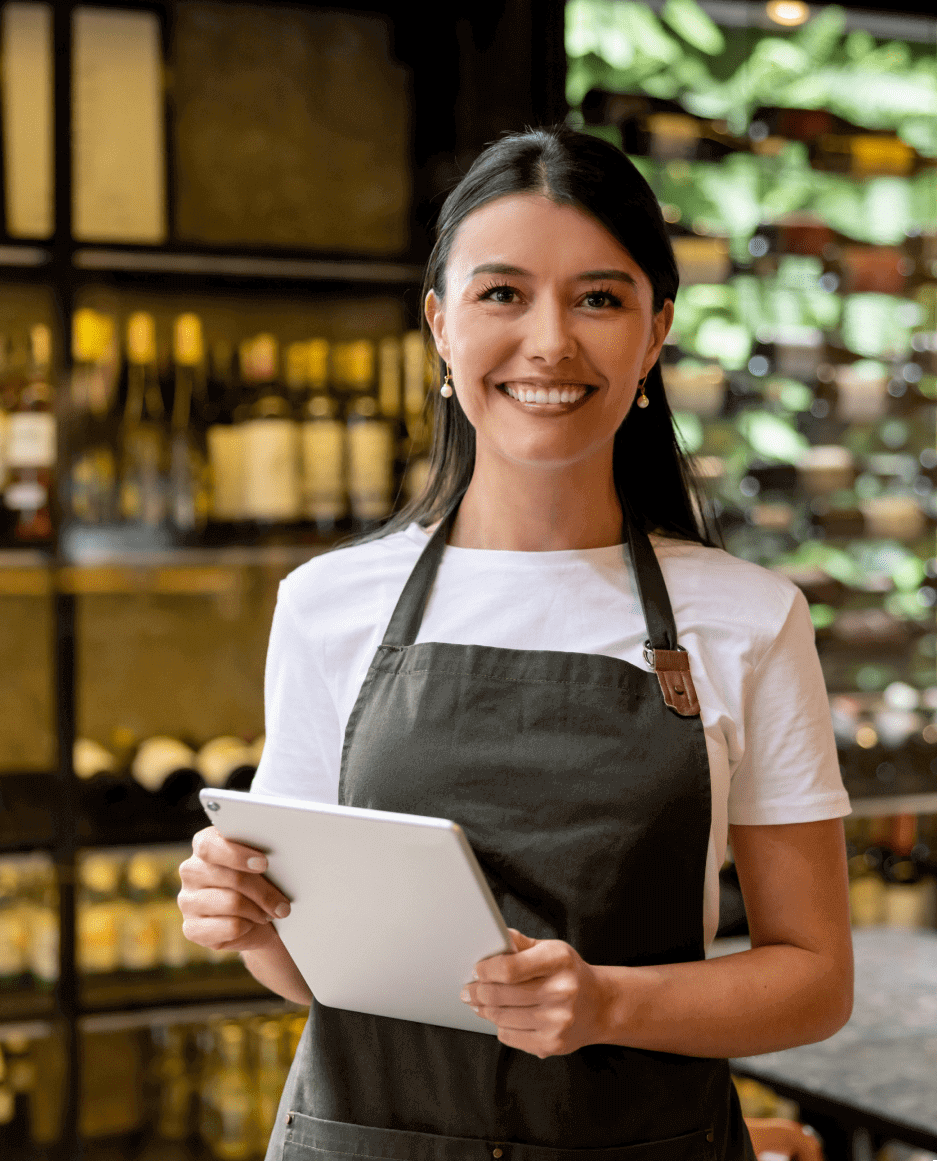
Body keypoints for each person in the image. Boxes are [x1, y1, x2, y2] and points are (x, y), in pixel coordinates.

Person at [178, 126, 854, 1161]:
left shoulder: (750, 619)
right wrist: (255, 922)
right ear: (441, 326)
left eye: (598, 298)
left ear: (655, 330)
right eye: (502, 295)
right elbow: (330, 976)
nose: (550, 342)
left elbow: (814, 979)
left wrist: (607, 1006)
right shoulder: (327, 605)